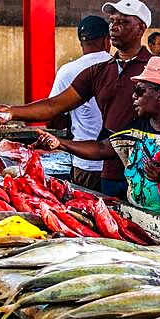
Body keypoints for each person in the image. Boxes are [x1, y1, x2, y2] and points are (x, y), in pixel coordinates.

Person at [0, 0, 154, 199]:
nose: (115, 27)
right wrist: (11, 112)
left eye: (124, 22)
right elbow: (54, 105)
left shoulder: (156, 68)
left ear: (141, 29)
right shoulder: (99, 71)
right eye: (112, 21)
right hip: (109, 170)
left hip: (148, 171)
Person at [36, 57, 160, 229]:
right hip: (148, 222)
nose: (133, 97)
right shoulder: (138, 127)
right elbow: (102, 148)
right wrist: (59, 143)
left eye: (140, 91)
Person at [47, 16, 113, 191]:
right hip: (117, 163)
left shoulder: (67, 71)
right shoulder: (118, 67)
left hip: (84, 162)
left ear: (81, 42)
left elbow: (52, 117)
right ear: (107, 40)